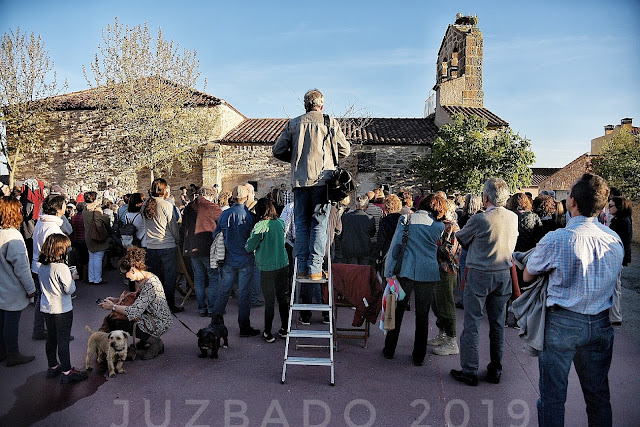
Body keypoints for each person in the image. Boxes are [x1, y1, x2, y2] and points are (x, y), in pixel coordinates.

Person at [524, 173, 623, 426]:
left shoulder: (557, 238)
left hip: (562, 322)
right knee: (599, 397)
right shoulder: (614, 240)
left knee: (553, 397)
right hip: (601, 322)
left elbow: (527, 275)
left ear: (572, 202)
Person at [272, 88, 350, 281]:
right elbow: (345, 150)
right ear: (321, 106)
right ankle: (315, 268)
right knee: (318, 224)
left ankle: (301, 267)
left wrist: (295, 157)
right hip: (323, 182)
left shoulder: (294, 123)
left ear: (305, 105)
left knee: (301, 224)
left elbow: (277, 149)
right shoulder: (330, 122)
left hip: (300, 181)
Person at [450, 178, 518, 386]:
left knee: (472, 323)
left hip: (479, 273)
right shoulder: (513, 217)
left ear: (485, 197)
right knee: (497, 324)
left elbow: (461, 237)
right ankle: (495, 369)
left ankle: (469, 369)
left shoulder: (480, 219)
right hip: (503, 273)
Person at [382, 194, 446, 367]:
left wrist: (388, 271)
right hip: (428, 272)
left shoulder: (406, 219)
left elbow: (395, 247)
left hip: (406, 270)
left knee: (398, 311)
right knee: (423, 315)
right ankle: (419, 355)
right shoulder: (439, 226)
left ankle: (389, 349)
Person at [99, 246, 173, 360]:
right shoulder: (143, 277)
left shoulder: (150, 285)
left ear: (132, 270)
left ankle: (155, 342)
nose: (125, 277)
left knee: (117, 321)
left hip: (158, 321)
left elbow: (134, 311)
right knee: (115, 318)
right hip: (151, 316)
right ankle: (143, 340)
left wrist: (113, 307)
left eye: (124, 274)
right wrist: (115, 300)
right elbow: (136, 298)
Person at [38, 233, 87, 383]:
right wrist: (73, 279)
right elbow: (69, 290)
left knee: (51, 338)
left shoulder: (42, 266)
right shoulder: (62, 267)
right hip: (62, 308)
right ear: (61, 249)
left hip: (47, 307)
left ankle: (52, 366)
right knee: (63, 340)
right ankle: (67, 371)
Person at [212, 185, 259, 337]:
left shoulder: (225, 214)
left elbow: (216, 235)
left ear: (232, 198)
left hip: (228, 259)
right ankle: (244, 327)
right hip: (245, 258)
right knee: (244, 294)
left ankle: (215, 322)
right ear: (246, 198)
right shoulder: (249, 216)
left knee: (224, 291)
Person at [245, 198, 289, 342]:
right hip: (282, 264)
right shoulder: (280, 223)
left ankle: (268, 332)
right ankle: (284, 328)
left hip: (266, 267)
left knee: (269, 301)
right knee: (282, 299)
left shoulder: (261, 226)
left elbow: (249, 246)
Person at [0, 196, 37, 366]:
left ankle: (3, 352)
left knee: (2, 321)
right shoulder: (12, 236)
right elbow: (21, 268)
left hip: (2, 285)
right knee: (11, 323)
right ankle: (13, 354)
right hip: (12, 287)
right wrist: (31, 288)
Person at [142, 178, 182, 313]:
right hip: (166, 244)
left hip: (152, 245)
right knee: (170, 277)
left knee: (155, 278)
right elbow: (173, 227)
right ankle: (169, 305)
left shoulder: (145, 205)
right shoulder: (166, 205)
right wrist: (178, 240)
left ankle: (156, 304)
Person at [31, 194, 68, 340]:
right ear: (58, 208)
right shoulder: (52, 228)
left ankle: (39, 329)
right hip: (49, 268)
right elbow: (55, 252)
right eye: (64, 204)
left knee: (41, 299)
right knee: (55, 302)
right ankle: (57, 332)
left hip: (38, 266)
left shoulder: (42, 222)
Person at [182, 187, 222, 317]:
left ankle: (201, 308)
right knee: (213, 277)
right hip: (207, 247)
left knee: (198, 278)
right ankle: (212, 307)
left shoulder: (189, 207)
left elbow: (183, 225)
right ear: (210, 196)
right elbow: (222, 219)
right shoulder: (210, 206)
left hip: (192, 247)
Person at [429, 198, 461, 356]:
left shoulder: (451, 227)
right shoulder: (444, 225)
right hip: (440, 269)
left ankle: (451, 340)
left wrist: (432, 245)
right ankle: (443, 334)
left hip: (447, 270)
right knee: (437, 304)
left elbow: (449, 252)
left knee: (446, 304)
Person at [607, 196, 632, 326]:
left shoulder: (621, 222)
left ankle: (615, 316)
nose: (608, 208)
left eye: (611, 206)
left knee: (615, 286)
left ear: (619, 207)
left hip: (618, 257)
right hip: (619, 256)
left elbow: (620, 242)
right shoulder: (622, 220)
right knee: (615, 286)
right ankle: (615, 314)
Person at [82, 191, 111, 285]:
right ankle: (97, 279)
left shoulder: (84, 210)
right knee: (98, 258)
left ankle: (91, 278)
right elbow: (106, 221)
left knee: (91, 258)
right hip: (98, 236)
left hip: (88, 236)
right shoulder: (97, 211)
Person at [339, 195, 376, 266]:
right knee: (364, 271)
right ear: (367, 206)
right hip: (364, 249)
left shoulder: (346, 216)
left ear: (356, 205)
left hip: (349, 249)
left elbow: (342, 232)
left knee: (352, 272)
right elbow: (372, 234)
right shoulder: (370, 218)